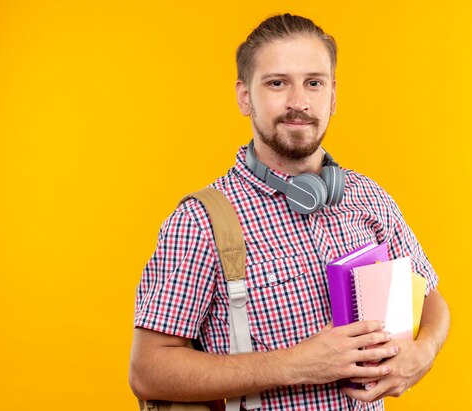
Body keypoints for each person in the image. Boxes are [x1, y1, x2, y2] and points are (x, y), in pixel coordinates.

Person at [129, 13, 450, 410]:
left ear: (332, 95)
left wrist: (423, 353)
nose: (298, 102)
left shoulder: (368, 197)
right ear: (245, 96)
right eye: (277, 83)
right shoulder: (202, 221)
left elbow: (430, 295)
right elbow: (147, 369)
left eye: (313, 83)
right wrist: (297, 364)